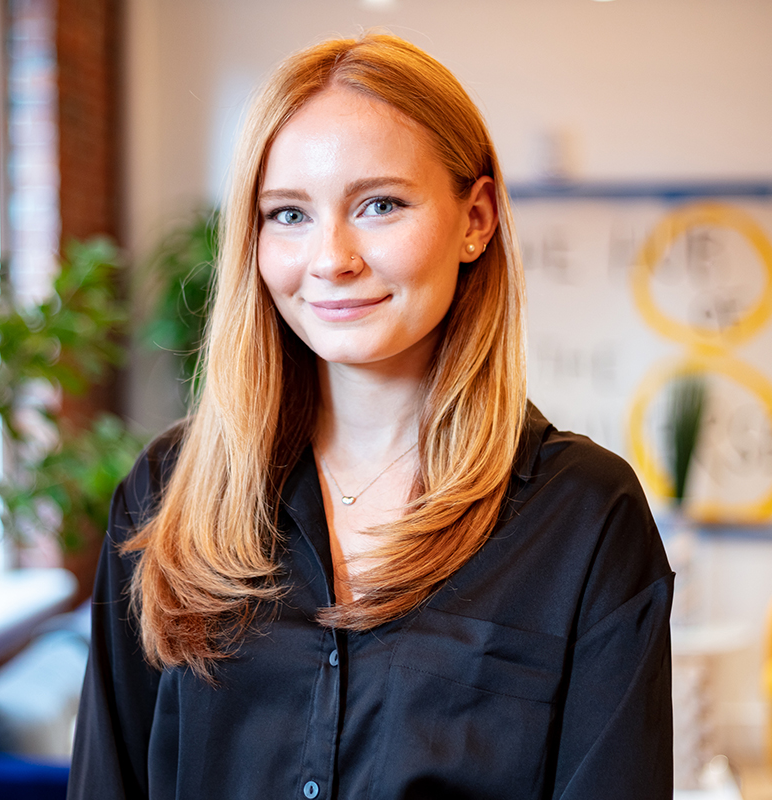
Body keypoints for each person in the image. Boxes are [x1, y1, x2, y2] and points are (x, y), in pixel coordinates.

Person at [68, 32, 673, 800]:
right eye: (288, 215)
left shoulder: (585, 517)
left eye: (379, 204)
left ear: (475, 219)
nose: (331, 258)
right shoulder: (167, 492)